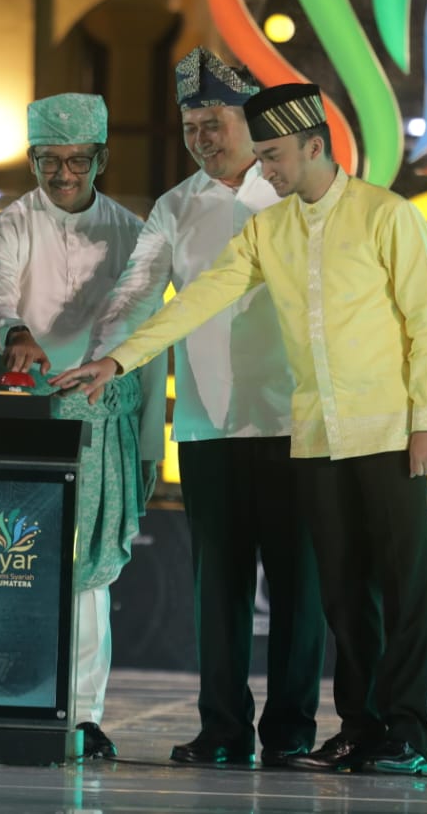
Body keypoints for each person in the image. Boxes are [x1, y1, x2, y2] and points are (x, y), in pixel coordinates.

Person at [55, 82, 427, 776]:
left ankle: (409, 731)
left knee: (402, 587)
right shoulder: (271, 230)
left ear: (313, 146)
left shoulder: (388, 216)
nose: (263, 170)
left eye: (272, 156)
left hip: (389, 431)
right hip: (317, 437)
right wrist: (118, 359)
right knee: (344, 595)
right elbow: (200, 299)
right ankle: (359, 728)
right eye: (262, 156)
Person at [93, 49, 324, 768]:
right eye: (192, 125)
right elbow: (136, 291)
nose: (203, 137)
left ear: (248, 120)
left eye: (215, 122)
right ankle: (222, 726)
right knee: (217, 587)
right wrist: (103, 352)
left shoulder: (293, 193)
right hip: (206, 422)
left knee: (297, 584)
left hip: (296, 419)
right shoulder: (175, 206)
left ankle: (290, 731)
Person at [0, 93, 166, 760]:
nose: (61, 174)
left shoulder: (134, 231)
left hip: (101, 418)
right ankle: (10, 696)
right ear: (31, 159)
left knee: (87, 572)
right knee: (16, 563)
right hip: (30, 415)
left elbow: (142, 316)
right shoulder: (10, 225)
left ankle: (81, 713)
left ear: (101, 158)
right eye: (48, 160)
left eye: (76, 160)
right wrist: (17, 335)